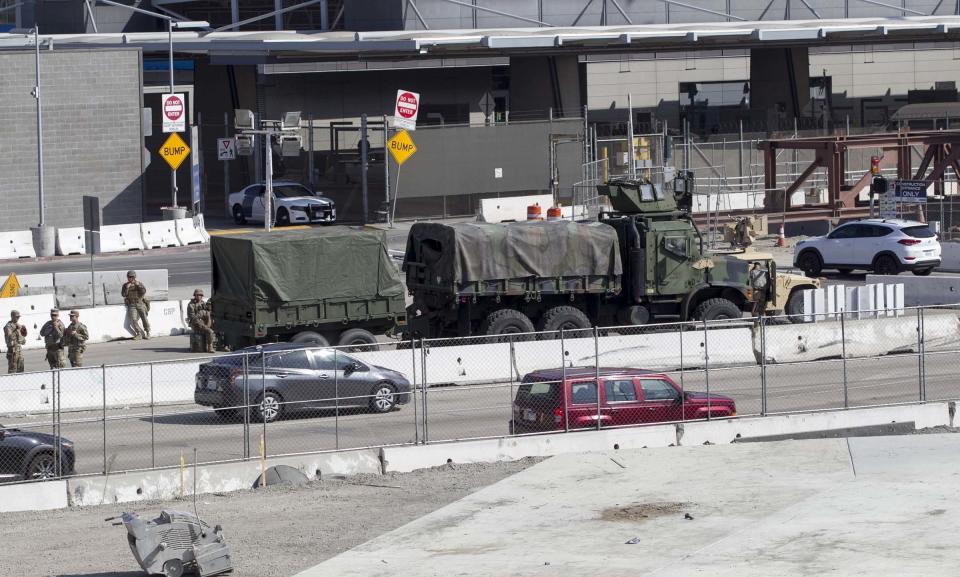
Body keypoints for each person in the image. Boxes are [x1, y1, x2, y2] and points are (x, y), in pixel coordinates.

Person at [121, 270, 150, 340]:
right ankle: (138, 334)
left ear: (134, 277)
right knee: (133, 320)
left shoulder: (139, 284)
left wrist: (138, 286)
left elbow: (143, 292)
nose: (130, 278)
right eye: (129, 277)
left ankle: (148, 332)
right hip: (132, 305)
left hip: (139, 303)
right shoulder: (125, 285)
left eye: (132, 277)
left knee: (144, 318)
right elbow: (123, 295)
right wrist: (127, 288)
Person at [187, 289, 215, 353]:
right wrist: (203, 325)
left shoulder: (203, 303)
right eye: (197, 295)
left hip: (203, 322)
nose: (199, 296)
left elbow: (207, 314)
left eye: (200, 295)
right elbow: (193, 318)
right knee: (210, 331)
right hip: (195, 324)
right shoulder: (191, 305)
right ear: (195, 295)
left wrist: (208, 322)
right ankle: (210, 347)